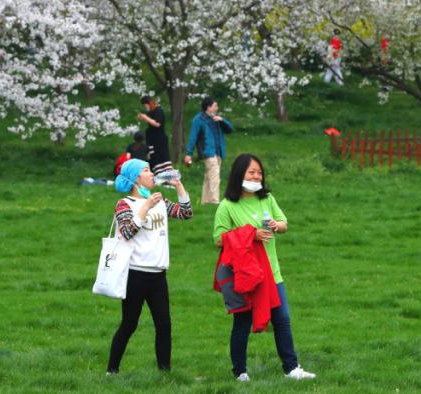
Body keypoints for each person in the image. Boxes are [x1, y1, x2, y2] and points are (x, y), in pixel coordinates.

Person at [212, 154, 316, 382]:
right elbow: (218, 238)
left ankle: (292, 369)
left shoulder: (267, 198)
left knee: (282, 319)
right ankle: (240, 372)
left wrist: (277, 226)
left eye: (259, 172)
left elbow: (284, 224)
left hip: (272, 273)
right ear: (240, 174)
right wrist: (251, 234)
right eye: (252, 172)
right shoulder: (227, 206)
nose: (256, 176)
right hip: (245, 275)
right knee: (242, 323)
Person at [107, 159, 193, 374]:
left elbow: (186, 213)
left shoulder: (161, 201)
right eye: (146, 170)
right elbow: (127, 232)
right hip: (135, 274)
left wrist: (179, 186)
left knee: (164, 325)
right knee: (129, 324)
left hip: (158, 275)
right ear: (136, 178)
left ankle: (164, 373)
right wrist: (145, 206)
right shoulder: (124, 204)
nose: (151, 173)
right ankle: (112, 371)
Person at [184, 96, 233, 205]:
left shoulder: (216, 119)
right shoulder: (199, 119)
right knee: (215, 176)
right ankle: (215, 201)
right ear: (208, 107)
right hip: (207, 152)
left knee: (209, 177)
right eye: (215, 106)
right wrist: (188, 154)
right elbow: (193, 137)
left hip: (218, 152)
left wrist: (222, 120)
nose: (217, 108)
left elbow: (230, 129)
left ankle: (205, 201)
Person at [137, 95, 172, 174]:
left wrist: (146, 118)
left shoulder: (158, 111)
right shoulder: (151, 112)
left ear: (149, 103)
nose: (145, 108)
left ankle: (168, 178)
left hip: (159, 140)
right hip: (152, 140)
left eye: (146, 105)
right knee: (154, 158)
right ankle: (157, 177)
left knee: (162, 159)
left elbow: (157, 124)